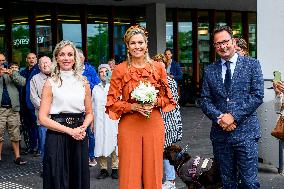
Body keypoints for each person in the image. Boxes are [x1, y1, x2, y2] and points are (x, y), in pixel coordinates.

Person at [105, 25, 176, 189]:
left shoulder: (158, 68)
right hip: (129, 125)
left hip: (153, 124)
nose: (137, 46)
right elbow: (111, 103)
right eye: (133, 43)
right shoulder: (120, 69)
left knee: (154, 171)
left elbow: (168, 98)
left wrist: (154, 102)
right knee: (130, 171)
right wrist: (133, 107)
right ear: (128, 47)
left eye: (140, 42)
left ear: (146, 44)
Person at [200, 25, 264, 189]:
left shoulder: (252, 65)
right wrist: (221, 117)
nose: (223, 46)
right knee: (227, 183)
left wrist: (233, 116)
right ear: (214, 46)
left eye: (225, 41)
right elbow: (205, 100)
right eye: (218, 43)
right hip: (221, 137)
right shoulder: (209, 70)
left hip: (246, 134)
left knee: (249, 183)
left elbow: (257, 95)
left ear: (234, 41)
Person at [38, 40, 93, 189]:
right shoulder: (50, 83)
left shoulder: (84, 82)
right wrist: (70, 131)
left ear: (75, 58)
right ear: (56, 58)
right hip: (57, 137)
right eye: (62, 54)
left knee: (78, 180)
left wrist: (82, 128)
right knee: (57, 180)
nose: (66, 58)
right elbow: (42, 118)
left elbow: (89, 113)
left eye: (70, 54)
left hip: (79, 136)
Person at [153, 54, 183, 189]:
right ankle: (157, 179)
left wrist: (156, 102)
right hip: (155, 121)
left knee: (166, 151)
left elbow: (174, 100)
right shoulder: (152, 81)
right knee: (157, 151)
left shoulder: (169, 81)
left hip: (168, 120)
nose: (158, 66)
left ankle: (170, 180)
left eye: (161, 64)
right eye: (156, 64)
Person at [92, 64, 119, 179]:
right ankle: (103, 169)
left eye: (106, 71)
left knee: (114, 142)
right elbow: (92, 106)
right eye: (101, 72)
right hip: (99, 121)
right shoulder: (95, 88)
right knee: (100, 143)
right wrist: (92, 122)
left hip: (112, 121)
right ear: (99, 74)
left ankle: (115, 168)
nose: (103, 74)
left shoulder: (115, 87)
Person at [0, 54, 27, 165]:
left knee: (15, 134)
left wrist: (12, 74)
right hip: (0, 110)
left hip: (13, 109)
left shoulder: (11, 71)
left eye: (3, 60)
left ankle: (17, 157)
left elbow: (23, 82)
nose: (1, 62)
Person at [77, 48, 100, 167]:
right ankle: (81, 156)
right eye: (77, 58)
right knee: (79, 131)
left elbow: (96, 86)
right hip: (76, 107)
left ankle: (91, 156)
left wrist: (86, 82)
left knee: (90, 133)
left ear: (84, 59)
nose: (79, 60)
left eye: (80, 58)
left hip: (89, 105)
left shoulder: (90, 70)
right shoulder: (71, 71)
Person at [30, 56, 52, 162]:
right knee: (44, 144)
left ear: (52, 63)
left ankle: (57, 168)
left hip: (59, 118)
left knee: (58, 146)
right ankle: (45, 167)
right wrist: (49, 108)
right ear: (39, 66)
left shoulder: (58, 77)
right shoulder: (35, 79)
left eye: (47, 62)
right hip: (43, 118)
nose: (45, 64)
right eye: (42, 63)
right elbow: (34, 98)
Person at [20, 53, 39, 156]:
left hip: (33, 104)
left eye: (33, 58)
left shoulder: (39, 71)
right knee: (28, 127)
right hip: (24, 104)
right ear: (26, 60)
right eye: (29, 58)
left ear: (36, 59)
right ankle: (30, 147)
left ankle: (38, 148)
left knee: (36, 126)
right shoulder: (22, 72)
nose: (31, 60)